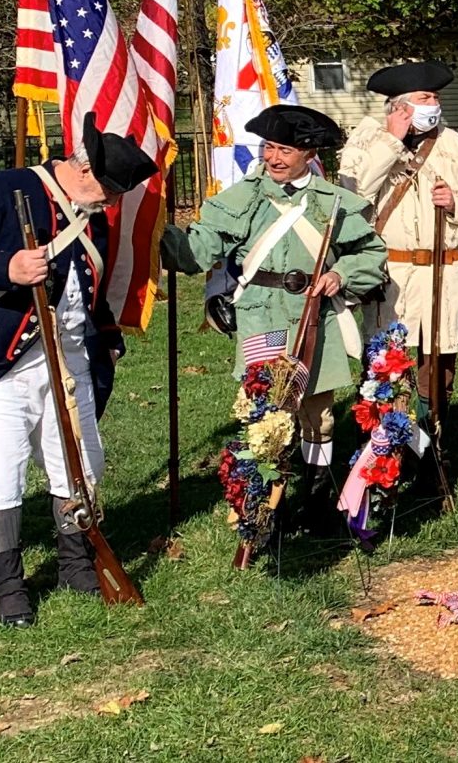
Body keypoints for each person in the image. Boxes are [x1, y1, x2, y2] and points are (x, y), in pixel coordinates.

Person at [0, 115, 158, 626]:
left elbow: (87, 285)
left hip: (71, 361)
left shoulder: (89, 211)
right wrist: (4, 267)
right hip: (3, 361)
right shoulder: (1, 190)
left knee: (79, 464)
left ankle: (75, 563)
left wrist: (107, 337)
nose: (112, 204)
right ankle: (7, 587)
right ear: (82, 171)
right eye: (110, 190)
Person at [162, 105, 386, 536]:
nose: (273, 157)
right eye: (269, 147)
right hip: (261, 316)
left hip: (313, 318)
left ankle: (316, 502)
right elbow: (201, 248)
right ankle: (266, 507)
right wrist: (163, 235)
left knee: (317, 417)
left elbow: (370, 253)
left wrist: (341, 274)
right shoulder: (244, 196)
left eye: (285, 149)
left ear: (309, 153)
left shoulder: (333, 202)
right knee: (264, 412)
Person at [340, 61, 458, 415]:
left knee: (438, 369)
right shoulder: (366, 141)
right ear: (400, 105)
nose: (433, 104)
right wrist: (391, 142)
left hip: (446, 275)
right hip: (391, 276)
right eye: (425, 97)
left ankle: (433, 445)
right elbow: (353, 198)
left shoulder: (457, 147)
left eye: (436, 97)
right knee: (386, 366)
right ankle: (385, 450)